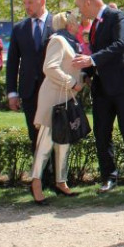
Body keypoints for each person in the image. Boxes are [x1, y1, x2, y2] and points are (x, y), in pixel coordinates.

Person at [71, 0, 124, 193]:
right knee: (102, 133)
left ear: (88, 2)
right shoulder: (96, 23)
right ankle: (109, 177)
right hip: (103, 87)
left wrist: (92, 59)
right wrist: (87, 71)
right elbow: (96, 54)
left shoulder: (116, 16)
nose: (80, 12)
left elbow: (120, 45)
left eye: (80, 7)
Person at [29, 11, 84, 203]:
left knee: (64, 143)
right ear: (69, 24)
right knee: (45, 144)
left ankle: (61, 181)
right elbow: (50, 67)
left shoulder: (69, 42)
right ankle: (36, 182)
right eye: (75, 21)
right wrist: (71, 82)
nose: (78, 24)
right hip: (53, 99)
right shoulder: (58, 41)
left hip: (65, 98)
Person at [6, 0, 53, 151]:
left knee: (55, 135)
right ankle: (40, 175)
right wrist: (12, 92)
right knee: (35, 136)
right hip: (29, 92)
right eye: (24, 3)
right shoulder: (20, 29)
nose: (27, 7)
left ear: (42, 1)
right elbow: (12, 63)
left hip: (53, 90)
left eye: (30, 2)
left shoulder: (57, 24)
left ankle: (58, 176)